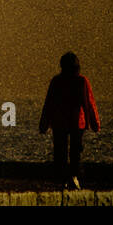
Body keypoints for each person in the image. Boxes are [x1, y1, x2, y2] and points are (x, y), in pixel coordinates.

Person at [38, 51, 101, 189]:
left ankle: (63, 177)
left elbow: (49, 103)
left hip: (60, 122)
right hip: (77, 122)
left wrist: (44, 123)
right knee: (75, 152)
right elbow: (90, 103)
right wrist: (95, 123)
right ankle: (74, 177)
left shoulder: (57, 81)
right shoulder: (81, 81)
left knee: (61, 151)